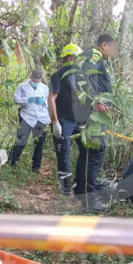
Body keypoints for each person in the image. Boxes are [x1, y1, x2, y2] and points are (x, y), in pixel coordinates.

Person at [75, 34, 119, 211]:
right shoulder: (94, 55)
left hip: (87, 113)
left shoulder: (92, 56)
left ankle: (80, 193)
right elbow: (84, 75)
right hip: (92, 116)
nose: (113, 52)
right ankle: (89, 200)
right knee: (95, 154)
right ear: (104, 44)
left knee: (87, 155)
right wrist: (96, 101)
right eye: (113, 48)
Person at [49, 44, 82, 197]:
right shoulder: (58, 75)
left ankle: (81, 183)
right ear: (70, 58)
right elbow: (51, 98)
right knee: (64, 152)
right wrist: (55, 121)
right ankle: (65, 187)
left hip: (79, 120)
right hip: (63, 120)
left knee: (87, 150)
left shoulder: (81, 76)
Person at [9, 69, 51, 173]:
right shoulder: (22, 86)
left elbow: (50, 102)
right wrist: (28, 100)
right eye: (34, 80)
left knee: (39, 144)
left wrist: (43, 102)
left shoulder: (45, 88)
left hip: (41, 118)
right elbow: (15, 100)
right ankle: (12, 163)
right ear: (31, 77)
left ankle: (36, 167)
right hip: (26, 117)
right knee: (21, 141)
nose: (36, 83)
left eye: (38, 81)